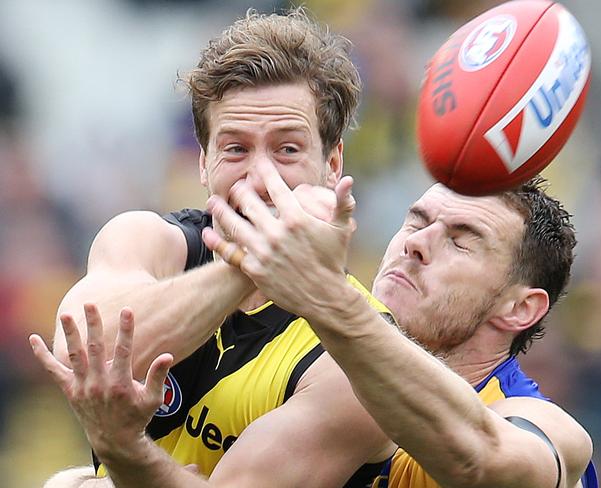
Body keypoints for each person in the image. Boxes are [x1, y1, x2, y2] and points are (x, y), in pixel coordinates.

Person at [34, 7, 396, 488]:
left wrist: (122, 457)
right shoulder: (145, 240)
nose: (259, 177)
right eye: (236, 149)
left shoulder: (360, 355)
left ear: (332, 164)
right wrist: (252, 264)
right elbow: (83, 354)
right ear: (203, 163)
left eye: (287, 149)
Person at [200, 162, 599, 488]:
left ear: (521, 308)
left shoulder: (545, 428)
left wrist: (330, 299)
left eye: (461, 241)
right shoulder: (310, 371)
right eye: (415, 222)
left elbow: (482, 460)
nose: (416, 243)